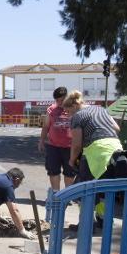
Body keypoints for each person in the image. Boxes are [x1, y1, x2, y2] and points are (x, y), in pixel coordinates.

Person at [62, 90, 127, 226]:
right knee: (105, 188)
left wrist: (71, 160)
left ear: (74, 106)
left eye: (68, 112)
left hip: (96, 152)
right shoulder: (101, 110)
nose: (69, 115)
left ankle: (85, 224)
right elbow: (117, 128)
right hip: (115, 149)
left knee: (84, 188)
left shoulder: (78, 116)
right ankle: (104, 220)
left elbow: (76, 145)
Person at [38, 87, 75, 218]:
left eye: (61, 100)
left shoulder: (74, 109)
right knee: (53, 171)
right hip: (53, 146)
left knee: (70, 172)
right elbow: (46, 126)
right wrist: (41, 141)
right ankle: (55, 194)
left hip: (71, 147)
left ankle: (67, 195)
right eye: (57, 100)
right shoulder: (51, 110)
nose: (59, 103)